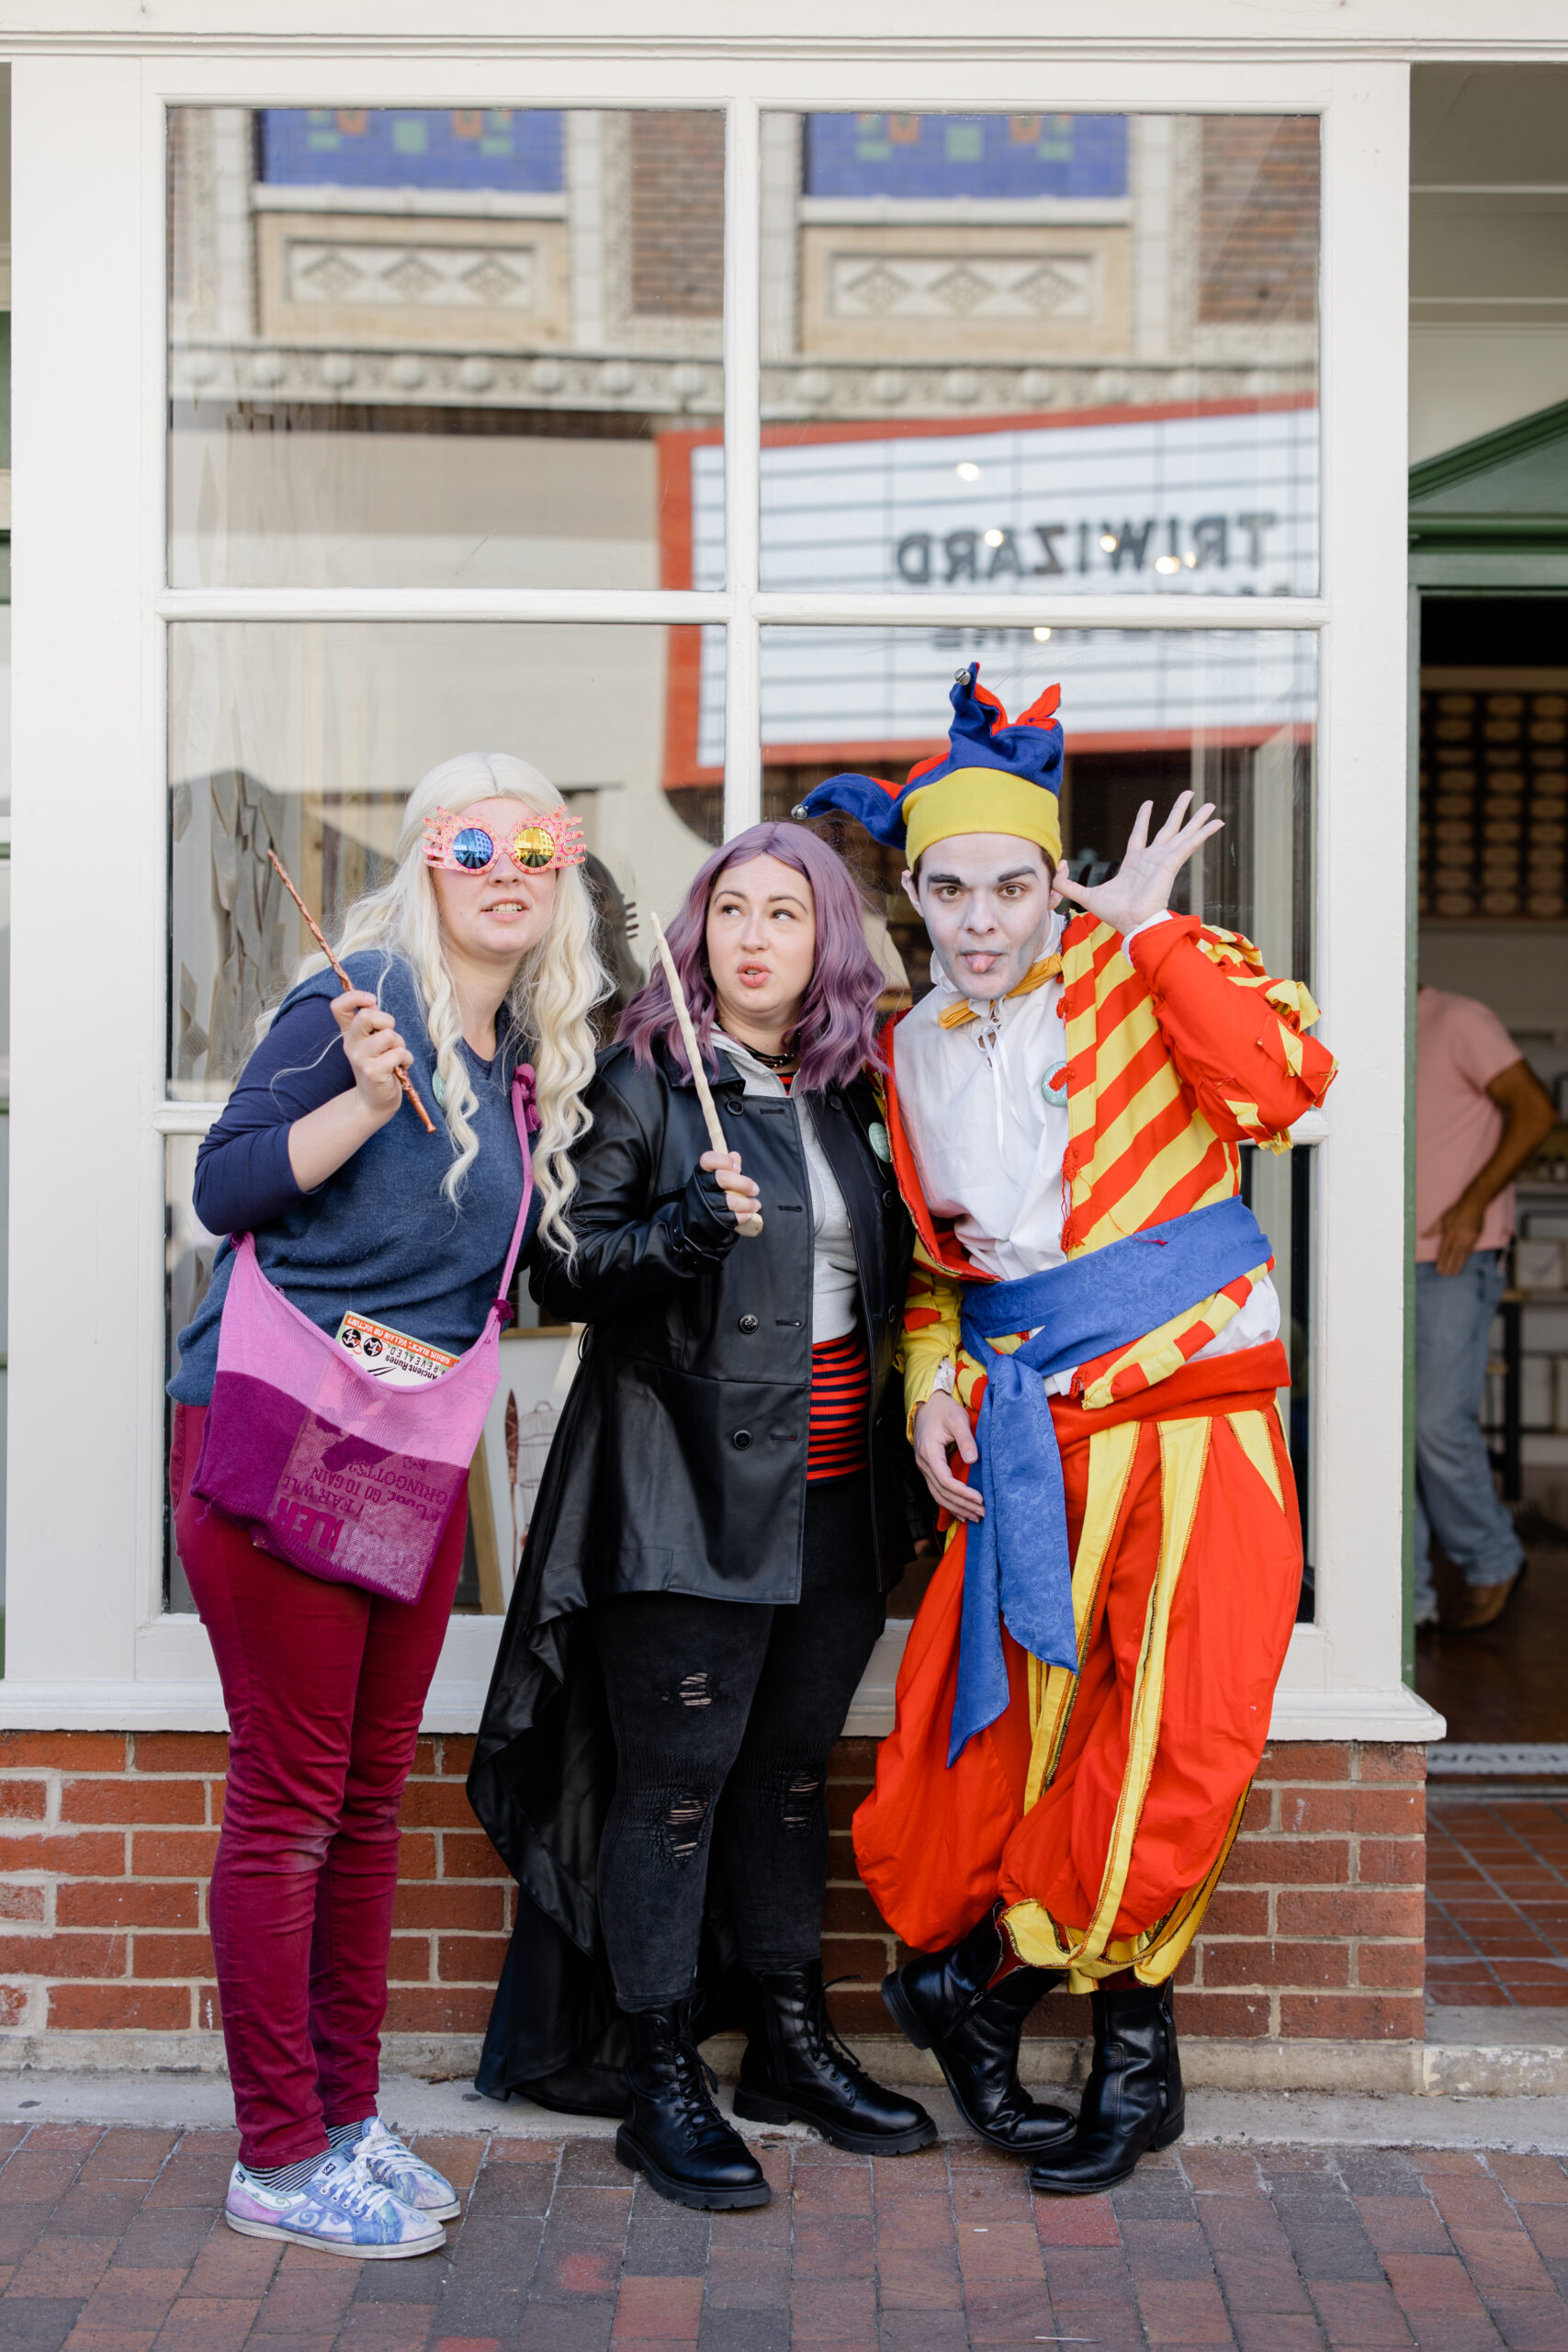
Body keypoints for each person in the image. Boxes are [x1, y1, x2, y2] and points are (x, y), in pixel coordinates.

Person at [795, 666, 1337, 2195]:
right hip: (1032, 1449)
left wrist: (1151, 921)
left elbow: (1286, 1086)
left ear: (1052, 883)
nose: (981, 919)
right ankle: (1121, 2056)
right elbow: (937, 1282)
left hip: (1196, 1427)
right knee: (1018, 1750)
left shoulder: (1146, 974)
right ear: (912, 895)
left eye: (1012, 887)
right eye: (949, 889)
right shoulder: (902, 1054)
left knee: (1179, 1733)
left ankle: (986, 1998)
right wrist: (932, 1399)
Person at [468, 822, 939, 2212]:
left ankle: (787, 2046)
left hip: (839, 1500)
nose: (751, 937)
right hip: (681, 1497)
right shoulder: (645, 1079)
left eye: (782, 914)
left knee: (791, 1779)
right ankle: (662, 2075)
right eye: (729, 909)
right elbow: (558, 1270)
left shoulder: (856, 1091)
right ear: (698, 934)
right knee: (673, 1788)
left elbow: (914, 1281)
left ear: (824, 942)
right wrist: (680, 1231)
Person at [169, 752, 604, 2256]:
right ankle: (278, 2157)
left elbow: (501, 1278)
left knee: (362, 1805)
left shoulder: (519, 1057)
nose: (508, 865)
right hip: (281, 1430)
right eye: (473, 839)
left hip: (401, 1450)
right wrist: (357, 1101)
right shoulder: (359, 993)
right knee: (290, 1805)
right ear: (424, 860)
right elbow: (226, 1189)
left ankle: (344, 2118)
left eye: (538, 845)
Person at [1415, 984, 1556, 1631]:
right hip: (1367, 1266)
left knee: (1435, 1425)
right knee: (1373, 1435)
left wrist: (1471, 1205)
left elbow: (1534, 1110)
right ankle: (1406, 1599)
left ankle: (1492, 1555)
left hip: (1448, 1260)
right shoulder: (1346, 1030)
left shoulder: (1458, 1018)